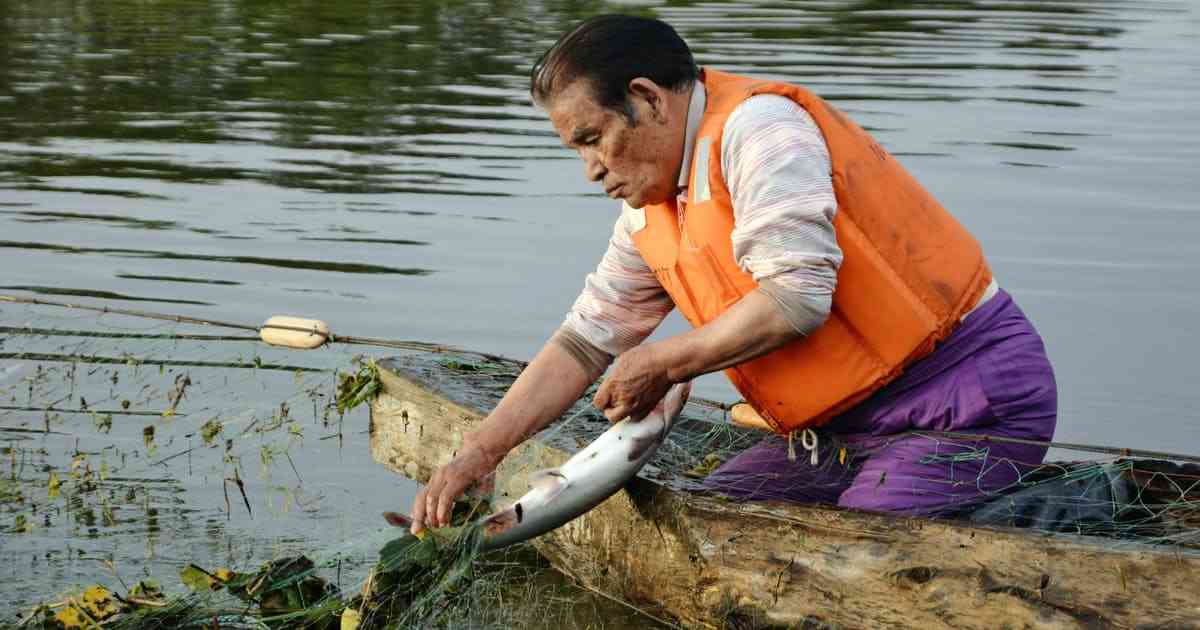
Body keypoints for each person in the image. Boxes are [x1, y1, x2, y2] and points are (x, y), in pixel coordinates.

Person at [409, 15, 1057, 533]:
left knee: (844, 555)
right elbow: (585, 341)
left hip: (962, 402)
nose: (590, 169)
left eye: (591, 137)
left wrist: (666, 363)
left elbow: (798, 297)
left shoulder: (760, 132)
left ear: (646, 99)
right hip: (835, 428)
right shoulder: (650, 207)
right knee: (715, 525)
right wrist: (480, 452)